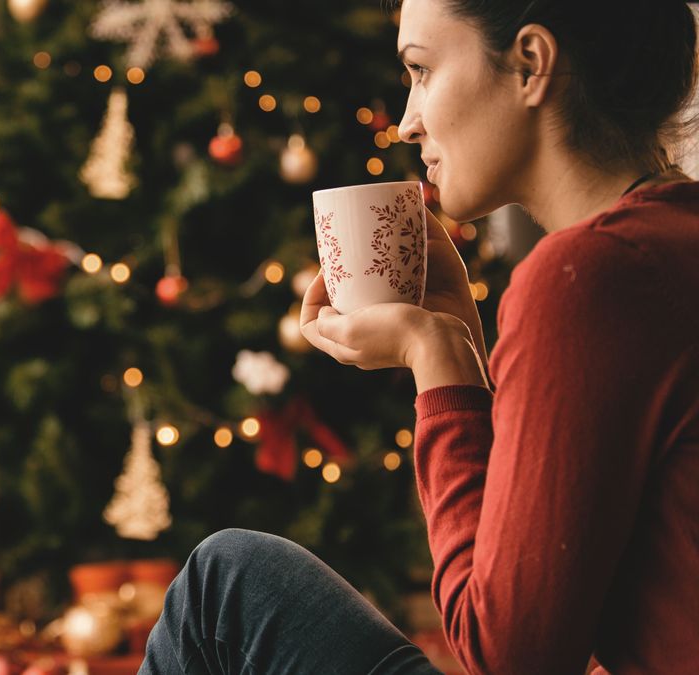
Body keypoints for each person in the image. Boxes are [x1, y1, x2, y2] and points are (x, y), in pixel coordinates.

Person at [139, 0, 699, 673]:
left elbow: (508, 657)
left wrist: (435, 359)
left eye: (421, 71)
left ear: (530, 65)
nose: (406, 123)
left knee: (220, 587)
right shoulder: (670, 245)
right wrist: (459, 335)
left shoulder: (591, 277)